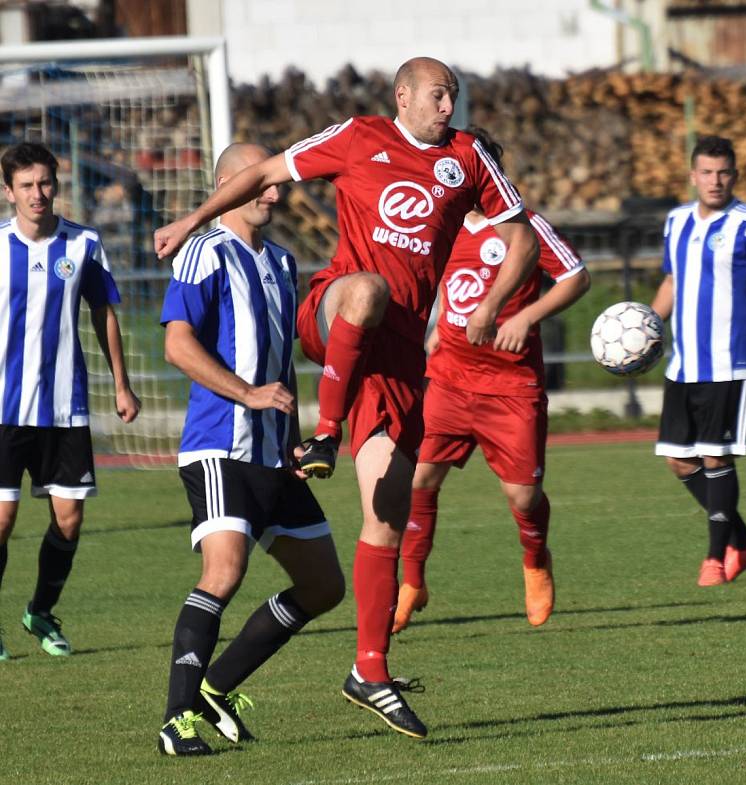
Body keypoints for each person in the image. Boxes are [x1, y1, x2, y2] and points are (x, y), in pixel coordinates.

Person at [154, 57, 539, 740]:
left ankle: (369, 668)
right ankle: (328, 434)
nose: (448, 104)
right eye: (437, 93)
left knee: (388, 512)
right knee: (367, 290)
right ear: (403, 96)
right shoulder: (358, 137)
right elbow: (263, 172)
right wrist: (192, 218)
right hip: (335, 311)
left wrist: (499, 304)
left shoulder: (468, 156)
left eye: (454, 93)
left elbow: (523, 239)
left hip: (394, 361)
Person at [157, 143, 345, 756]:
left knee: (323, 587)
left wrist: (292, 439)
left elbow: (280, 366)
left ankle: (216, 686)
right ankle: (176, 720)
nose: (272, 190)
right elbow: (178, 346)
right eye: (257, 182)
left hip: (272, 452)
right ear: (223, 186)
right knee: (225, 571)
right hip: (219, 446)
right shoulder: (203, 252)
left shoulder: (283, 263)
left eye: (273, 182)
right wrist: (246, 393)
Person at [393, 130, 590, 634]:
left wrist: (525, 318)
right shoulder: (443, 228)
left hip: (511, 387)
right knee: (418, 479)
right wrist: (437, 328)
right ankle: (412, 581)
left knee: (522, 497)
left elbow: (575, 278)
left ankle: (535, 559)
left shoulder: (526, 229)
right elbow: (434, 285)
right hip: (450, 380)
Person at [0, 142, 139, 662]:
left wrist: (122, 384)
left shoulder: (83, 243)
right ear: (8, 191)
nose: (38, 193)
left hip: (65, 407)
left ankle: (41, 611)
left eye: (45, 183)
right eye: (27, 185)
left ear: (56, 185)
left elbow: (104, 314)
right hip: (4, 409)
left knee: (69, 520)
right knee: (2, 520)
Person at [651, 135, 746, 587]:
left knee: (715, 455)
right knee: (678, 460)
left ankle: (715, 558)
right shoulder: (675, 222)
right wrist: (646, 330)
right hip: (684, 363)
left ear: (736, 174)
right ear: (693, 176)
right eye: (707, 173)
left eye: (723, 172)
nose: (715, 181)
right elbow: (672, 281)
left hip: (733, 361)